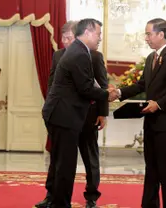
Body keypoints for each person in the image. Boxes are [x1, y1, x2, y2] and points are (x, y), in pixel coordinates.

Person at [41, 18, 118, 208]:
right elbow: (85, 88)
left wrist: (104, 102)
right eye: (98, 34)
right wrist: (108, 94)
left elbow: (89, 84)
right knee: (64, 166)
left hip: (68, 114)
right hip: (64, 116)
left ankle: (68, 200)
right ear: (89, 32)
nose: (100, 38)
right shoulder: (79, 53)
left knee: (65, 164)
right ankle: (59, 203)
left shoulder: (80, 51)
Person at [114, 18, 166, 208]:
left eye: (148, 34)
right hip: (150, 123)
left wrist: (160, 104)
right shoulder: (150, 58)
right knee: (152, 169)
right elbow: (142, 85)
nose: (146, 38)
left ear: (161, 34)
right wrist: (119, 92)